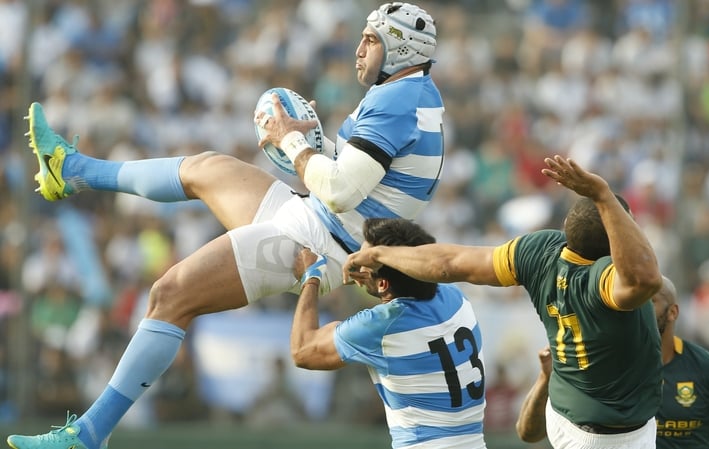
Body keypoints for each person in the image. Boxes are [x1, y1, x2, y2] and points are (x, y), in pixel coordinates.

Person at [8, 3, 443, 449]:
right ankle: (71, 170)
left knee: (170, 295)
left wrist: (292, 141)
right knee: (206, 168)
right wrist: (311, 139)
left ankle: (87, 436)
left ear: (400, 48)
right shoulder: (413, 92)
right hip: (319, 220)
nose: (359, 49)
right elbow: (361, 177)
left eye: (371, 40)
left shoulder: (396, 100)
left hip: (318, 242)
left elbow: (339, 190)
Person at [343, 155, 664, 449]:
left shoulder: (540, 251)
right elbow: (645, 277)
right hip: (613, 437)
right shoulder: (605, 282)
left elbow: (450, 262)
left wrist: (380, 254)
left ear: (567, 228)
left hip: (566, 412)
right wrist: (604, 195)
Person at [515, 276, 709, 449]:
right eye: (635, 300)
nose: (639, 309)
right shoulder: (598, 364)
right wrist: (546, 378)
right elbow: (530, 433)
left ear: (673, 312)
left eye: (651, 301)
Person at [291, 218, 487, 449]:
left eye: (363, 260)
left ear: (383, 283)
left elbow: (303, 350)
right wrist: (375, 281)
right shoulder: (455, 295)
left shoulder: (382, 325)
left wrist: (311, 277)